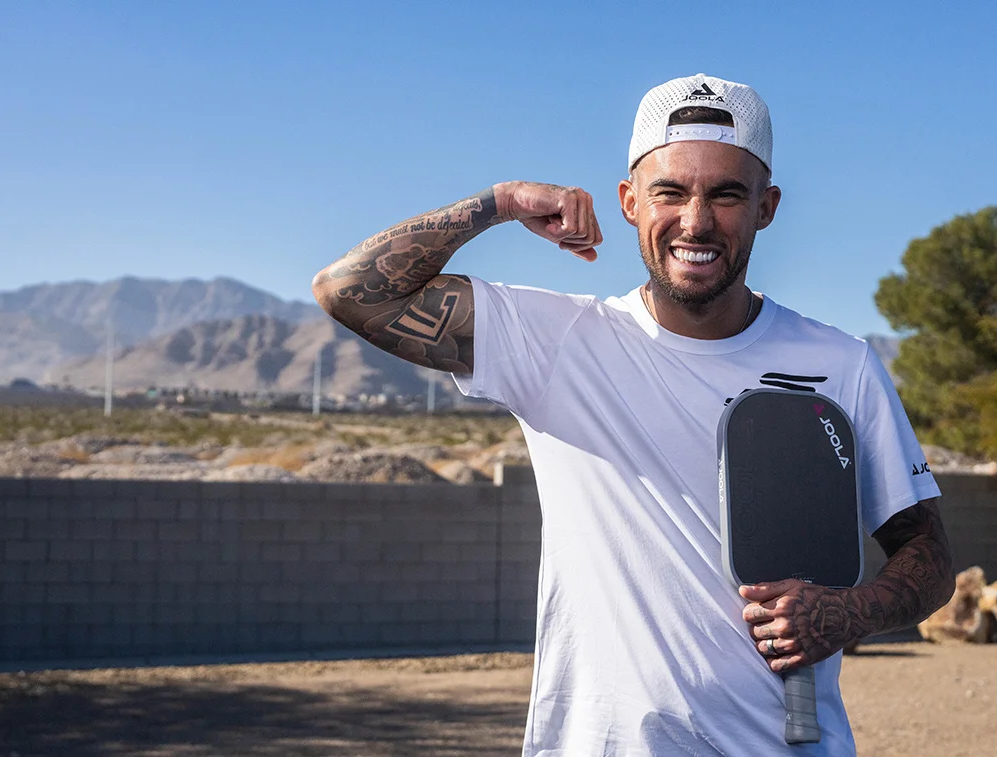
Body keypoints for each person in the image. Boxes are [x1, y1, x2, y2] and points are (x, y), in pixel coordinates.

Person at [312, 73, 955, 756]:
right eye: (669, 191)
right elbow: (349, 291)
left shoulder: (840, 362)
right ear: (628, 201)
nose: (696, 220)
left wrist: (846, 612)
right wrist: (502, 202)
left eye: (726, 193)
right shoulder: (555, 341)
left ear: (765, 207)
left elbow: (930, 556)